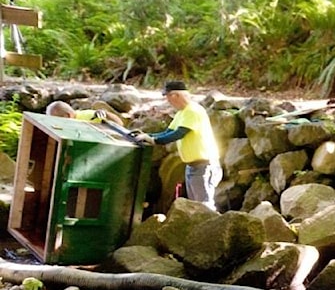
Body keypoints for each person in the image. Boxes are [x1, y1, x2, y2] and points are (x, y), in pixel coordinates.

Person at [131, 81, 222, 211]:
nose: (168, 101)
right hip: (193, 165)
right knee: (197, 204)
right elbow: (168, 132)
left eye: (168, 97)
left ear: (176, 96)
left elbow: (179, 133)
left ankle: (209, 229)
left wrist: (154, 141)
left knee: (204, 204)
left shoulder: (193, 111)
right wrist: (148, 136)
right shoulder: (182, 113)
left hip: (204, 164)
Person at [45, 101, 125, 126]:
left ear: (67, 116)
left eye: (56, 121)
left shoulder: (91, 115)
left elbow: (120, 124)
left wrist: (107, 115)